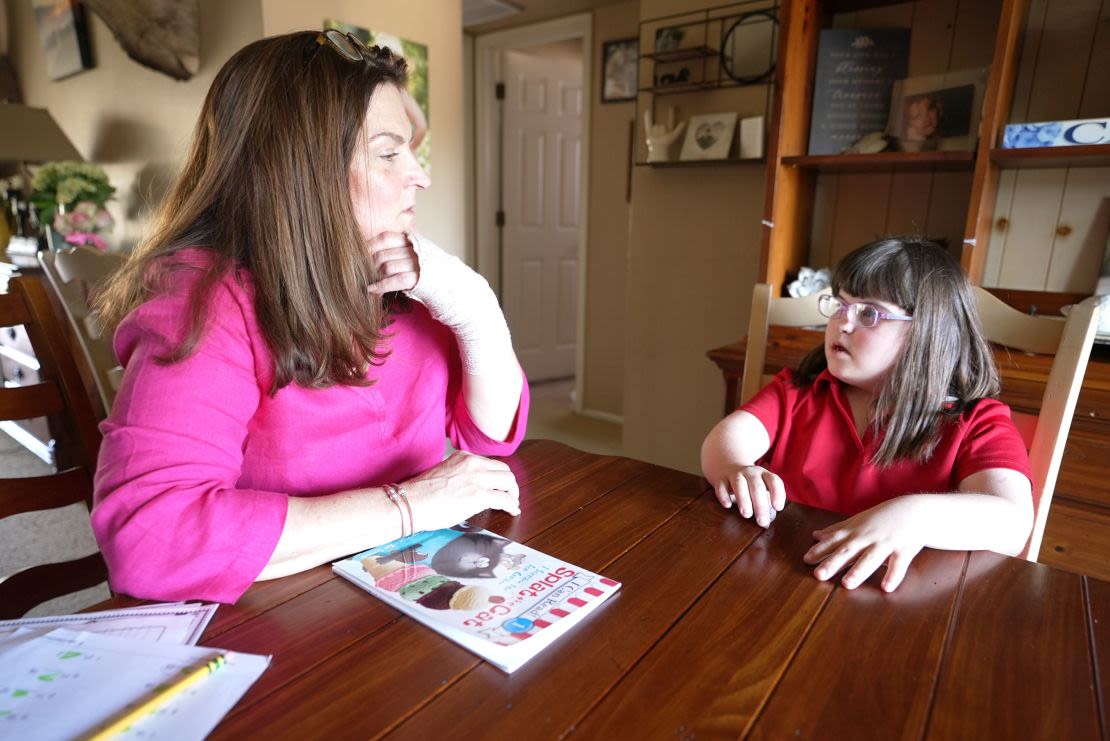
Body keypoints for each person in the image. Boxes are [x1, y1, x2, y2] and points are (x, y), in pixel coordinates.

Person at [90, 30, 529, 604]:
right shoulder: (206, 301)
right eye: (390, 151)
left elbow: (487, 438)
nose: (419, 175)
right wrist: (412, 506)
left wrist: (474, 307)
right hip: (280, 615)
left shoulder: (404, 281)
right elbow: (152, 540)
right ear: (304, 168)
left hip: (400, 594)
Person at [701, 237, 1033, 592]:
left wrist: (914, 516)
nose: (842, 323)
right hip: (782, 578)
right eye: (840, 305)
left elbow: (1012, 521)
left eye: (868, 313)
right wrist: (735, 467)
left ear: (926, 331)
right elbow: (725, 439)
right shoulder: (797, 392)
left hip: (895, 598)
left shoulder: (976, 422)